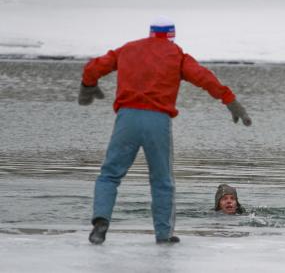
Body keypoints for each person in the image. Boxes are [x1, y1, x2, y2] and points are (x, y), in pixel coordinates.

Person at [78, 16, 252, 245]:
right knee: (162, 181)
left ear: (151, 32)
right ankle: (164, 235)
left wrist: (88, 85)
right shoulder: (176, 55)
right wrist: (230, 101)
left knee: (109, 175)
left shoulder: (128, 49)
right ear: (171, 35)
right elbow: (204, 78)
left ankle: (101, 222)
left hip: (126, 118)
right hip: (157, 121)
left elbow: (94, 67)